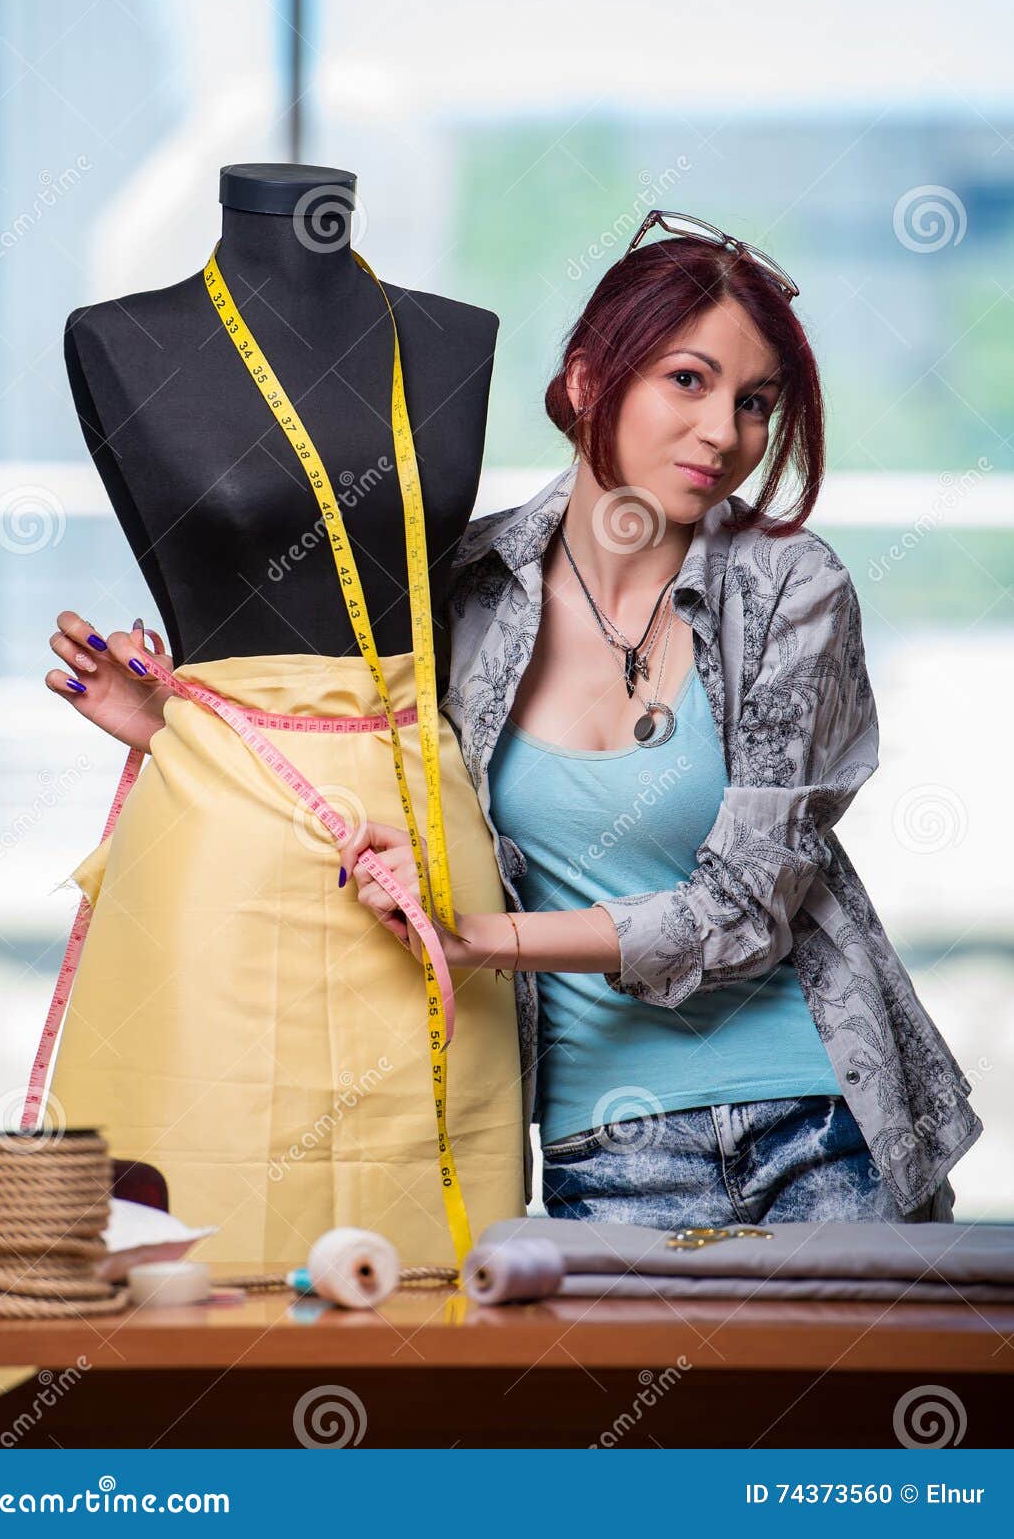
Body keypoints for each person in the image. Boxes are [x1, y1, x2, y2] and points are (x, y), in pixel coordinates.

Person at [47, 212, 981, 1228]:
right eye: (688, 380)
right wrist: (178, 733)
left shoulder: (793, 591)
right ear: (588, 378)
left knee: (851, 1393)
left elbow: (748, 908)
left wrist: (481, 937)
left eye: (756, 402)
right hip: (605, 1143)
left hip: (823, 1122)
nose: (724, 431)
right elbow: (370, 771)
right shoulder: (459, 597)